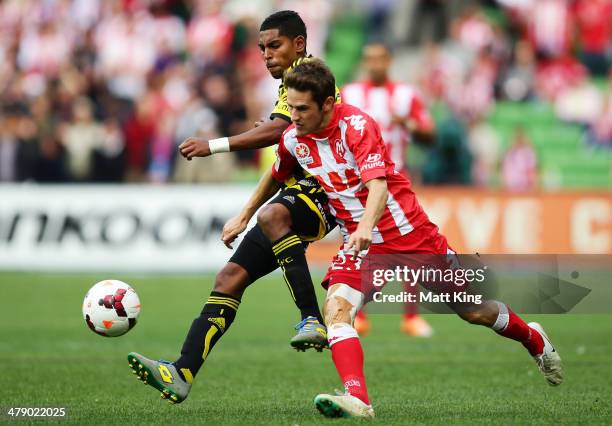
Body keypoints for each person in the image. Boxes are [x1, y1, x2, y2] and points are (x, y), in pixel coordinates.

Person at [249, 59, 562, 418]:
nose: (295, 116)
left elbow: (378, 187)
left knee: (474, 311)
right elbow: (276, 174)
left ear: (326, 105)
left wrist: (367, 225)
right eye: (290, 107)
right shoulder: (293, 139)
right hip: (362, 244)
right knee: (337, 310)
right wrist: (243, 216)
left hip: (411, 236)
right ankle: (358, 400)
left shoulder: (356, 126)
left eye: (303, 108)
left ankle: (533, 338)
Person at [127, 10, 340, 404]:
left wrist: (214, 145)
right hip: (299, 190)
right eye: (261, 48)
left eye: (274, 45)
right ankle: (181, 371)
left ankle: (312, 318)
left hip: (330, 190)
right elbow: (283, 162)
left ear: (298, 44)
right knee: (229, 278)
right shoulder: (288, 89)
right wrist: (242, 215)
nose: (266, 54)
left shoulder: (310, 75)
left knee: (274, 214)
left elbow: (277, 131)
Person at [342, 41, 435, 337]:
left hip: (395, 182)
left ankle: (411, 317)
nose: (375, 64)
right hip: (359, 184)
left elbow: (429, 134)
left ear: (389, 60)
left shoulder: (406, 95)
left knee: (411, 249)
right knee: (361, 246)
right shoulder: (351, 94)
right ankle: (359, 315)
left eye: (380, 58)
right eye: (370, 58)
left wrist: (406, 123)